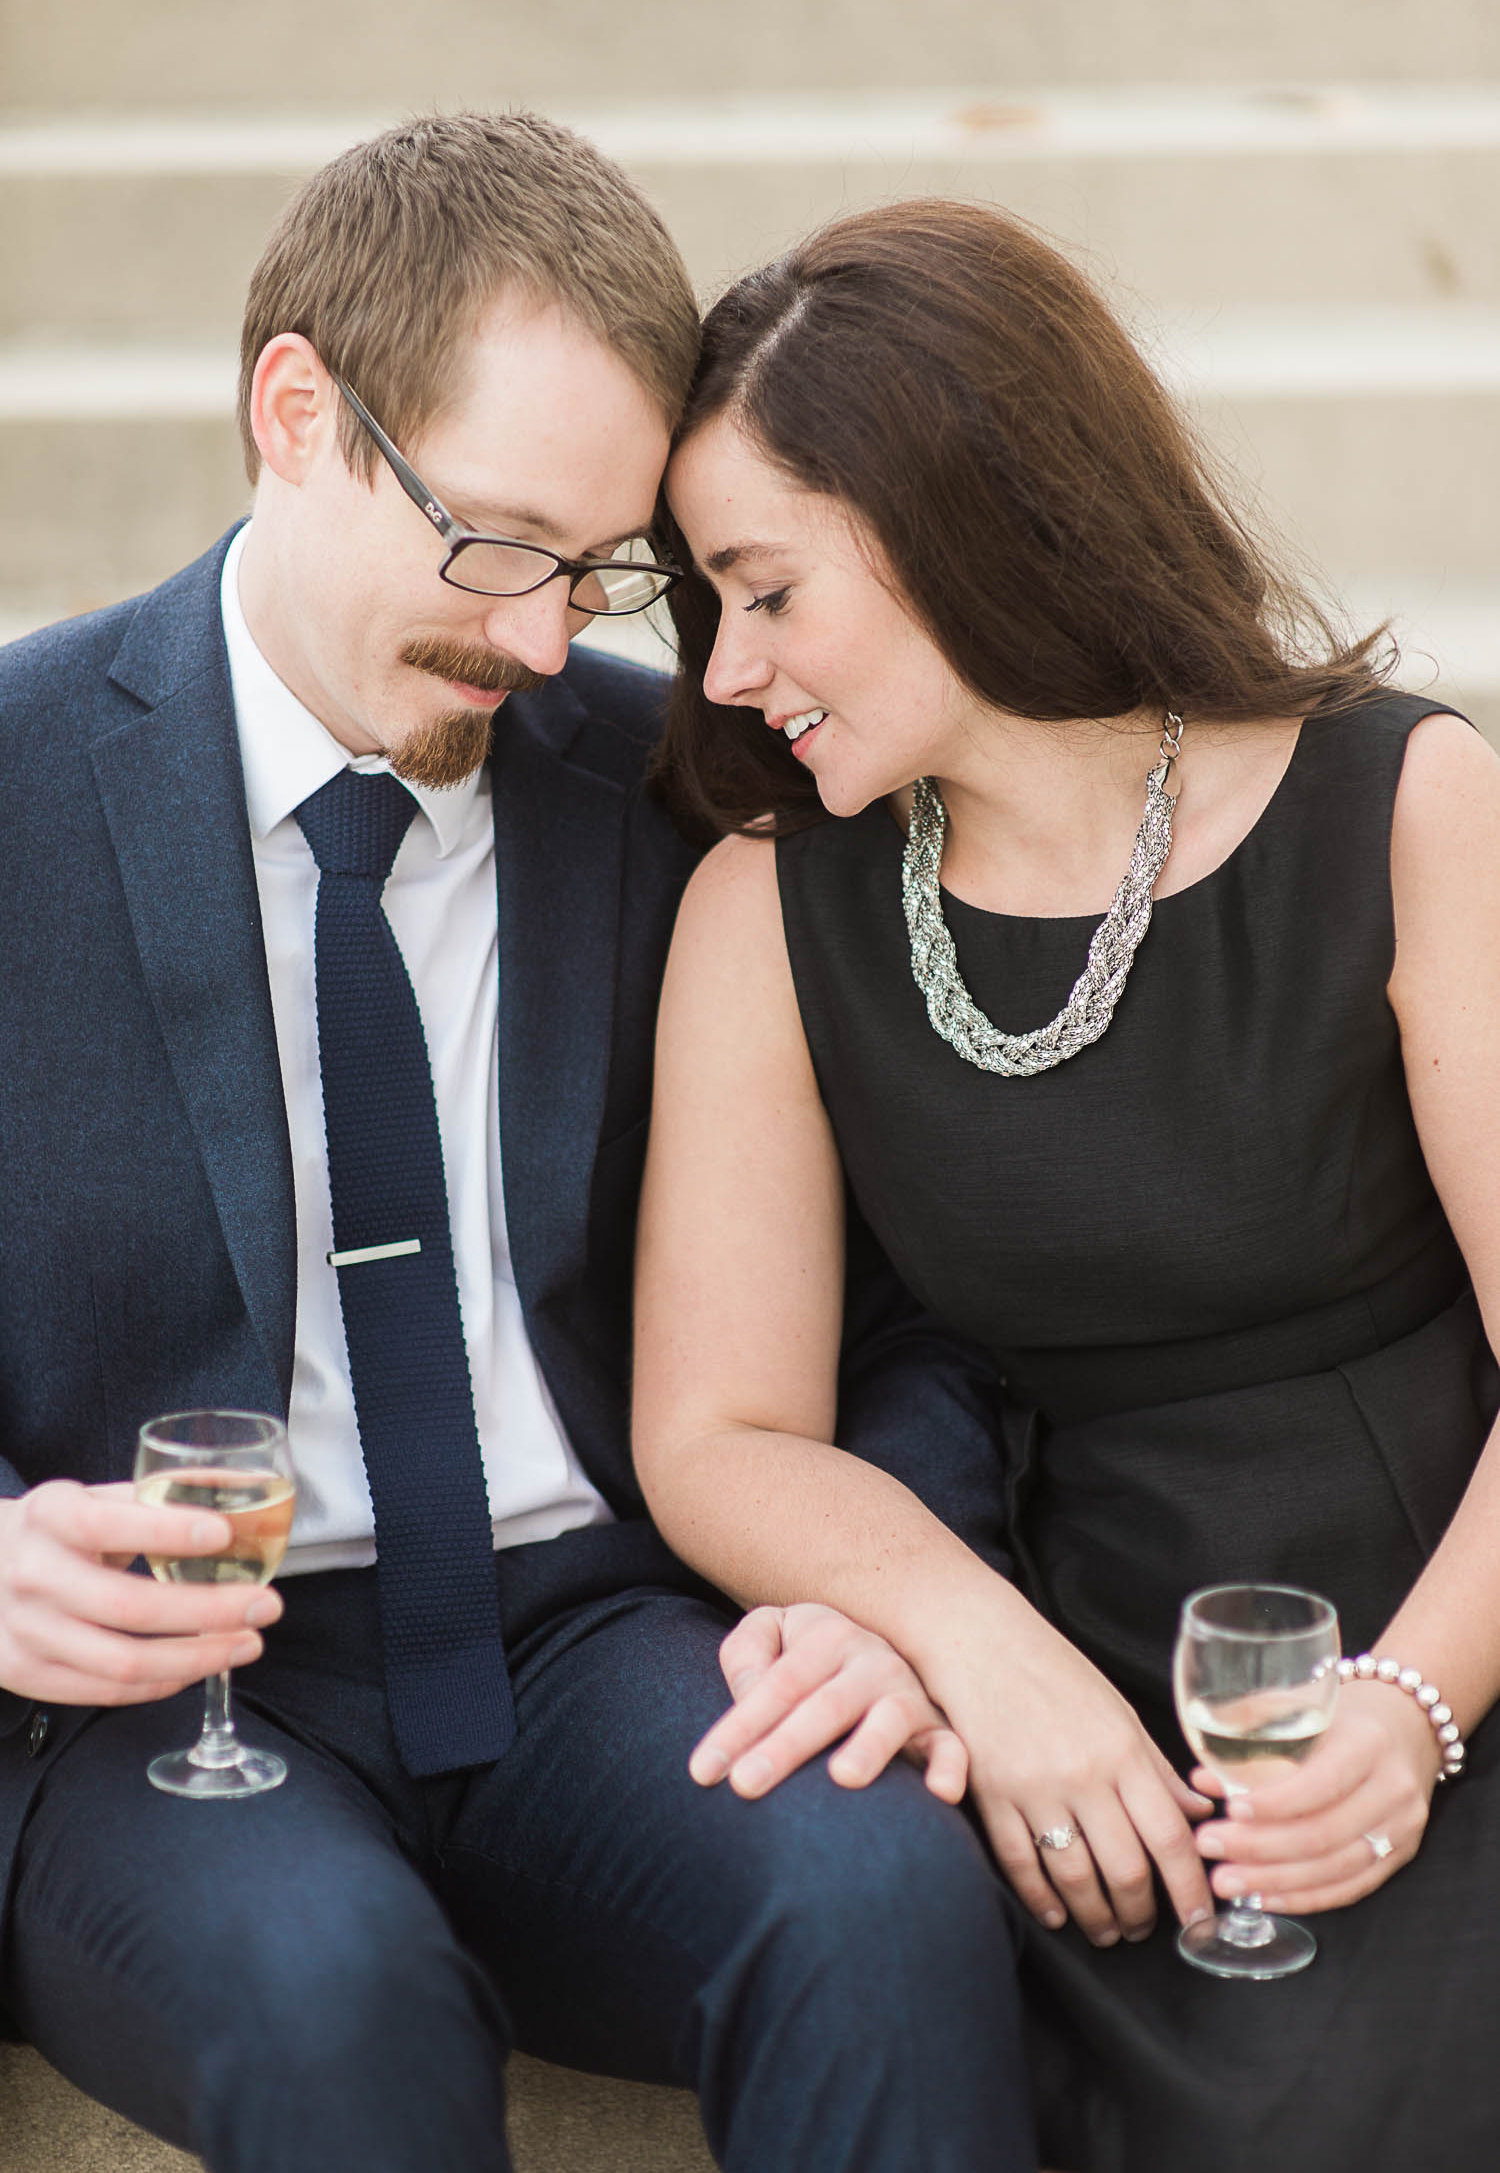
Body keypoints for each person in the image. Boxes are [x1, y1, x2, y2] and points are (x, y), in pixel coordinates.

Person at [0, 122, 1039, 2173]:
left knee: (886, 1893)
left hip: (595, 1636)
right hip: (166, 1690)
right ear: (294, 411)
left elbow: (934, 1300)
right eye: (498, 544)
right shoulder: (13, 781)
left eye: (599, 566)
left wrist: (885, 1587)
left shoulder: (677, 796)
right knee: (336, 2001)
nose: (551, 639)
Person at [635, 196, 1500, 2172]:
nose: (728, 671)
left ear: (953, 510)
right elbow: (715, 1427)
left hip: (1450, 1608)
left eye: (765, 590)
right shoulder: (769, 908)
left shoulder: (1409, 803)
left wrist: (1410, 1715)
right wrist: (988, 1653)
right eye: (707, 605)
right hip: (1078, 1668)